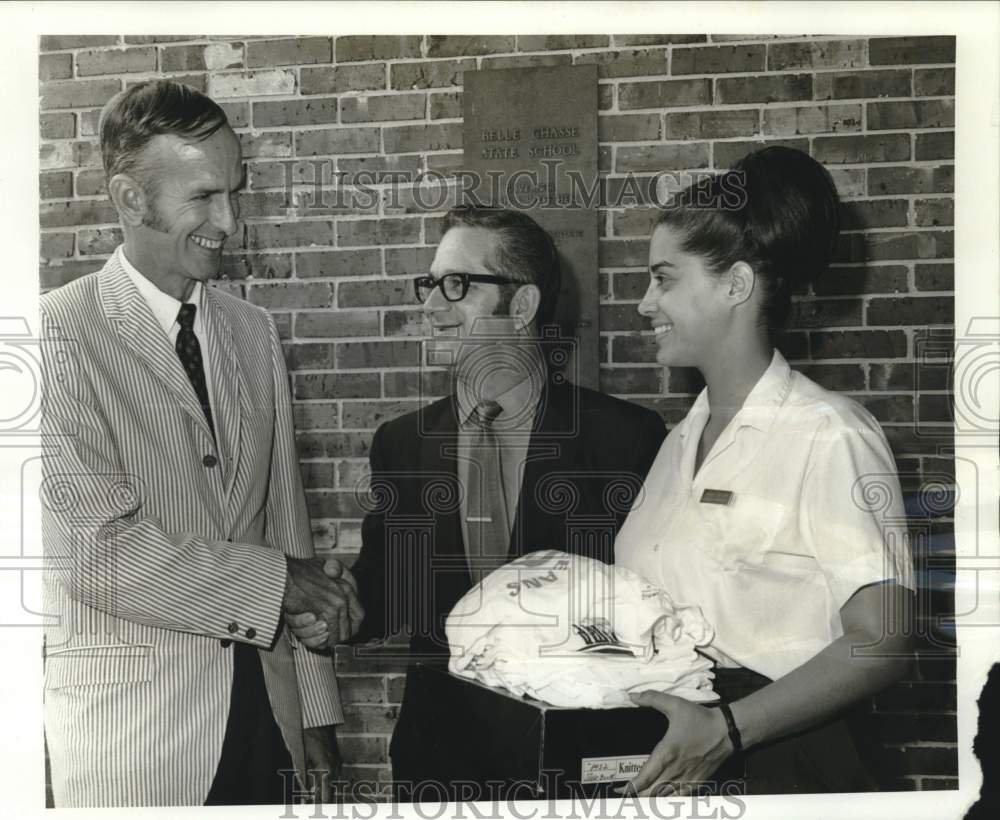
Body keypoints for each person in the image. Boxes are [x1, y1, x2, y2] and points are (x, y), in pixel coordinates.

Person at [40, 79, 363, 807]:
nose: (232, 220)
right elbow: (96, 554)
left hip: (267, 718)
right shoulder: (52, 335)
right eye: (206, 197)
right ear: (130, 199)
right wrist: (282, 582)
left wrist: (313, 712)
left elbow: (286, 520)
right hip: (136, 744)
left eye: (237, 193)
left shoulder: (253, 332)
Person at [289, 206, 667, 797]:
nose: (431, 306)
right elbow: (391, 586)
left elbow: (650, 615)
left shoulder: (624, 438)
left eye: (457, 286)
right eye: (431, 284)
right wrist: (340, 612)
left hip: (579, 763)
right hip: (441, 764)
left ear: (521, 307)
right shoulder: (403, 443)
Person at [614, 146, 916, 795]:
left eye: (664, 278)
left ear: (736, 285)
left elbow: (884, 640)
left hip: (793, 762)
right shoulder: (676, 444)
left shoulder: (828, 433)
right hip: (686, 762)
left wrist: (730, 727)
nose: (644, 302)